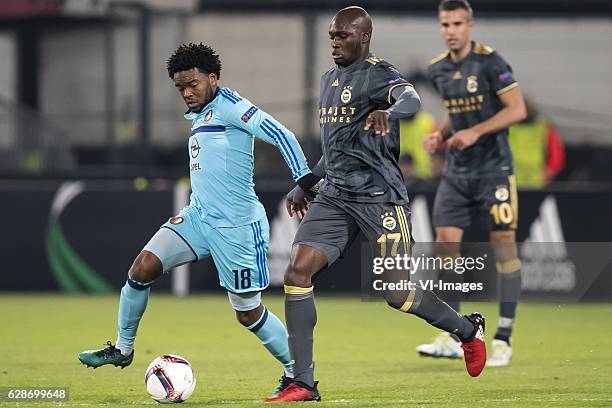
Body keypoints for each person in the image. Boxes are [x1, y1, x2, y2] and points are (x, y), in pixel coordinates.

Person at [266, 7, 486, 403]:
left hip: (379, 197)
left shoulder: (378, 72)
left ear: (363, 37)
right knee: (297, 274)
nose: (334, 41)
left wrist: (389, 110)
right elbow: (336, 145)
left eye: (342, 36)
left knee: (397, 293)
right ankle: (303, 382)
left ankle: (467, 331)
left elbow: (412, 98)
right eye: (331, 35)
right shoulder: (329, 79)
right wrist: (306, 183)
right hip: (334, 196)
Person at [78, 43, 320, 398]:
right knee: (141, 269)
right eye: (180, 88)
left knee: (248, 313)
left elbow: (282, 134)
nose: (187, 93)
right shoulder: (201, 115)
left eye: (193, 84)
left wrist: (304, 178)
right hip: (198, 218)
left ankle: (298, 377)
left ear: (212, 77)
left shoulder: (233, 107)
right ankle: (123, 349)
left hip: (237, 226)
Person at [418, 0, 527, 367]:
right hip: (457, 173)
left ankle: (504, 339)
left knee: (504, 247)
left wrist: (475, 132)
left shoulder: (490, 62)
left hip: (494, 170)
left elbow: (517, 109)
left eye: (457, 23)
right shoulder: (438, 70)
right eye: (445, 24)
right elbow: (456, 109)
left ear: (470, 25)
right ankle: (457, 334)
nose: (451, 30)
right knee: (446, 246)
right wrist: (441, 134)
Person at [509, 98, 565, 188]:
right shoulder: (507, 126)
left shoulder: (543, 126)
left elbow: (556, 153)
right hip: (514, 178)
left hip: (536, 179)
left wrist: (550, 171)